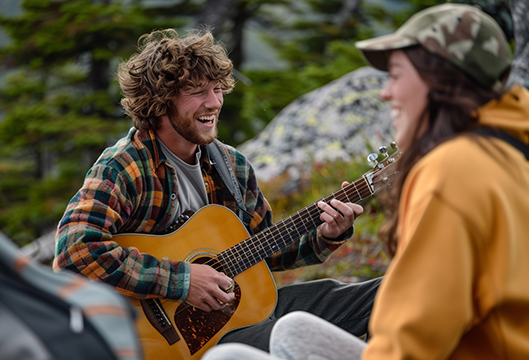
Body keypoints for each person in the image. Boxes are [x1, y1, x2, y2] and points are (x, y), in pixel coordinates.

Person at [201, 3, 529, 360]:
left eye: (397, 74)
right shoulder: (506, 151)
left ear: (438, 80)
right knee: (294, 330)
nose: (386, 93)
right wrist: (182, 280)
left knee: (227, 357)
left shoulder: (449, 169)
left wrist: (323, 238)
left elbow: (418, 331)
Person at [53, 27, 381, 357]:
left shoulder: (231, 164)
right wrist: (181, 281)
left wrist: (326, 234)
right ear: (160, 100)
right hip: (176, 343)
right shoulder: (125, 165)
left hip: (246, 313)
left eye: (217, 89)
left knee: (387, 295)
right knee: (291, 337)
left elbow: (265, 249)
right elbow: (74, 252)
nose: (214, 102)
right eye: (197, 92)